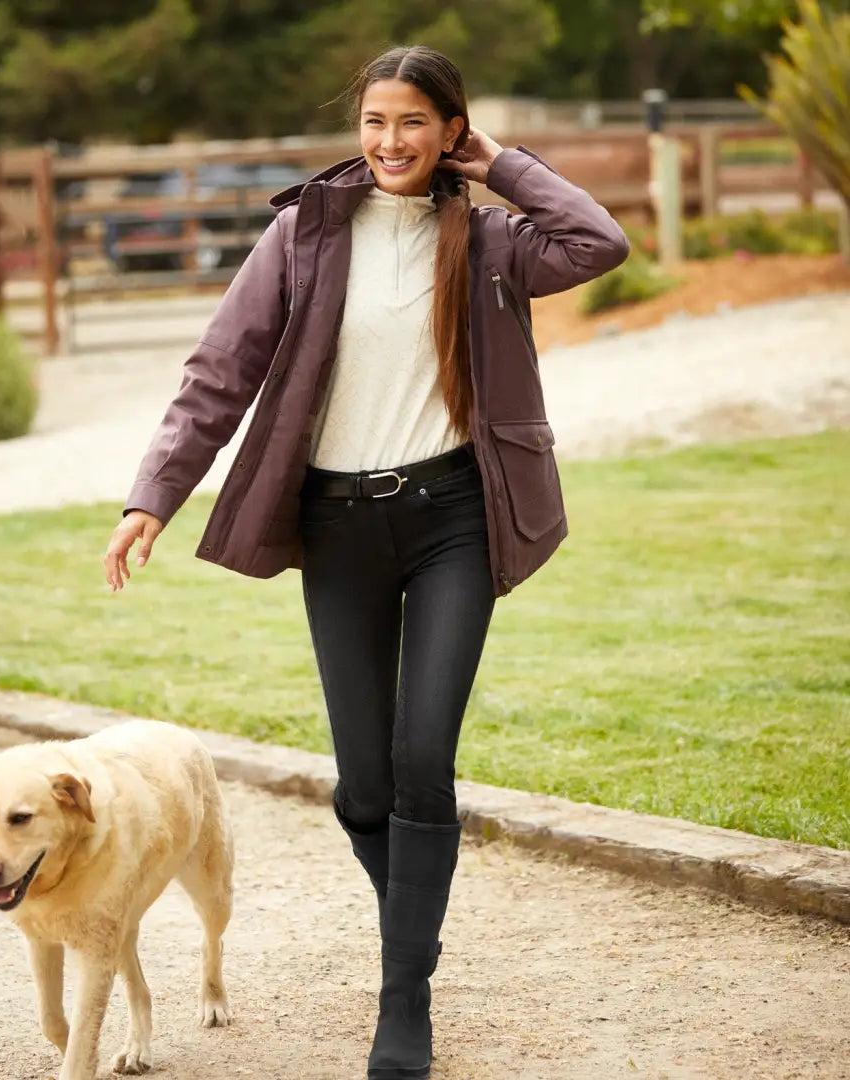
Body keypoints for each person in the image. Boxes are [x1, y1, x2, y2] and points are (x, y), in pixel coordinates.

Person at [104, 45, 628, 1080]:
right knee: (363, 786)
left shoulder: (487, 240)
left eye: (414, 124)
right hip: (339, 529)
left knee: (424, 758)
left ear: (450, 132)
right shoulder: (303, 234)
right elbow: (219, 373)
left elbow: (599, 241)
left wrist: (502, 166)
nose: (389, 142)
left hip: (454, 520)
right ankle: (416, 931)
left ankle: (405, 1003)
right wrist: (151, 495)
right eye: (374, 122)